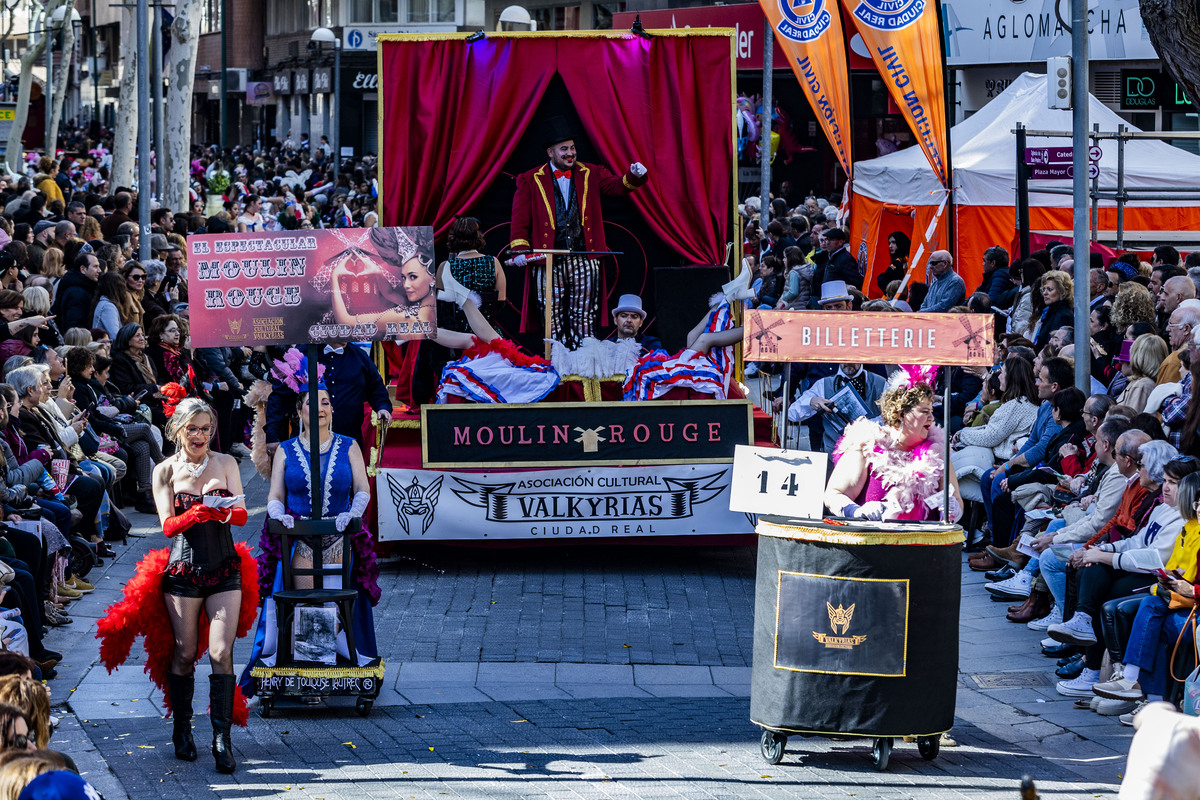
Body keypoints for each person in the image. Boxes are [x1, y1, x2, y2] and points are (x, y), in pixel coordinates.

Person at [97, 399, 256, 774]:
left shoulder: (227, 463)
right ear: (177, 430)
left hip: (224, 569)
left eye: (206, 428)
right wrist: (195, 513)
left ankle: (221, 739)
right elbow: (166, 525)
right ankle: (182, 729)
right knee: (185, 654)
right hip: (182, 571)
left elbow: (245, 514)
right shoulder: (164, 470)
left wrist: (224, 511)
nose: (200, 435)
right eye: (193, 428)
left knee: (221, 651)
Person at [241, 360, 379, 698]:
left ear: (332, 409)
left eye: (325, 402)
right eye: (311, 403)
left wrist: (353, 513)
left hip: (340, 539)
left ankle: (339, 669)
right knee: (306, 602)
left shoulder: (349, 446)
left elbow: (362, 488)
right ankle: (311, 674)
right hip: (300, 539)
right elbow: (274, 495)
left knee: (334, 602)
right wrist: (279, 515)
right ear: (298, 412)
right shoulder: (286, 451)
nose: (319, 409)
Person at [509, 118, 647, 349]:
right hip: (547, 259)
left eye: (572, 148)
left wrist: (633, 176)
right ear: (550, 152)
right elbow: (520, 219)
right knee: (549, 315)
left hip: (584, 256)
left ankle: (582, 364)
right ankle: (554, 362)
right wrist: (520, 251)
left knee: (584, 314)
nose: (570, 153)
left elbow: (617, 186)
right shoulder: (530, 179)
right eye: (564, 149)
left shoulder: (590, 172)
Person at [824, 365, 963, 522]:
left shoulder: (937, 451)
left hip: (924, 544)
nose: (931, 418)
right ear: (901, 413)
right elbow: (833, 494)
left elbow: (956, 498)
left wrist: (953, 510)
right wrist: (856, 511)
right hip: (874, 542)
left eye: (931, 411)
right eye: (924, 412)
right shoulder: (866, 444)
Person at [329, 227, 436, 337]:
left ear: (433, 277)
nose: (406, 285)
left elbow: (345, 321)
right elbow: (390, 294)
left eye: (413, 277)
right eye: (403, 277)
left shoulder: (403, 317)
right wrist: (377, 272)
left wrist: (334, 276)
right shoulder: (430, 311)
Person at [435, 217, 506, 331]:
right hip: (488, 335)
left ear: (453, 238)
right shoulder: (493, 262)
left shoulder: (445, 266)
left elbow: (440, 306)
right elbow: (500, 302)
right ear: (478, 236)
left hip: (455, 337)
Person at [874, 232, 910, 296]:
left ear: (900, 243)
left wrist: (889, 293)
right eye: (889, 243)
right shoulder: (907, 258)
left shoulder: (898, 262)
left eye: (893, 242)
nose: (890, 246)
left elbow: (882, 279)